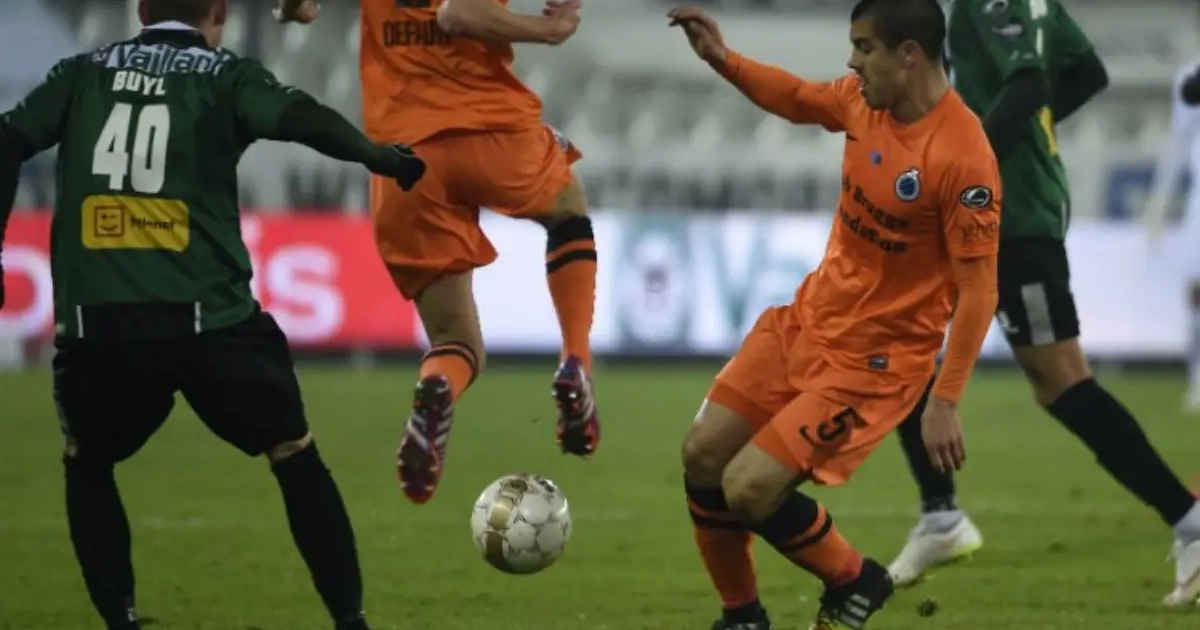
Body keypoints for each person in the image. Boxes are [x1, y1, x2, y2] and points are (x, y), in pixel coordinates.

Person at [0, 1, 425, 628]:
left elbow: (8, 140)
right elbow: (300, 118)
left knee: (87, 462)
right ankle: (350, 621)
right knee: (293, 453)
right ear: (219, 13)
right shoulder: (224, 74)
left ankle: (120, 619)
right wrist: (376, 155)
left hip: (101, 323)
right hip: (210, 318)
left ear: (142, 9)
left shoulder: (81, 73)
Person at [672, 0, 1001, 627]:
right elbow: (797, 97)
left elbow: (980, 289)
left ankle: (855, 579)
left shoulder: (964, 156)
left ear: (909, 55)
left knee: (749, 488)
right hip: (806, 322)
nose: (852, 62)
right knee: (702, 455)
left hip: (873, 364)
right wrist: (723, 60)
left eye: (865, 48)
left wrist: (945, 399)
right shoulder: (860, 100)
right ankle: (743, 617)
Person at [887, 0, 1200, 607]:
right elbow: (1087, 74)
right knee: (898, 340)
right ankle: (940, 515)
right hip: (997, 208)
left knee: (1060, 381)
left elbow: (1031, 83)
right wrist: (1025, 135)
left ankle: (1189, 521)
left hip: (1008, 216)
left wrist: (966, 157)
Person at [272, 0, 602, 505]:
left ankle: (439, 385)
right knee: (568, 211)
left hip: (405, 155)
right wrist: (548, 29)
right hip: (489, 130)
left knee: (456, 342)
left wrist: (294, 10)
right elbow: (456, 15)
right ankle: (576, 358)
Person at [1145, 55, 1200, 409]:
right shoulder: (1191, 74)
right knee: (1196, 289)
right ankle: (1198, 377)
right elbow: (1179, 140)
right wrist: (1159, 201)